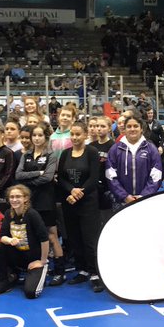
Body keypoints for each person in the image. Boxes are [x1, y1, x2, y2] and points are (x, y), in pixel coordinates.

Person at [14, 122, 65, 285]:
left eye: (40, 135)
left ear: (46, 137)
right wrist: (38, 173)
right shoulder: (26, 155)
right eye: (34, 135)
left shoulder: (51, 155)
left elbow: (48, 178)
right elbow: (18, 175)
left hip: (45, 199)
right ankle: (38, 266)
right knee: (32, 234)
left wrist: (29, 181)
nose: (36, 138)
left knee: (51, 235)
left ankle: (60, 271)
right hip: (30, 201)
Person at [58, 121, 103, 292]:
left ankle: (95, 273)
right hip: (70, 202)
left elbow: (94, 178)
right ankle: (82, 270)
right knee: (75, 238)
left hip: (88, 202)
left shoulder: (91, 152)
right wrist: (71, 190)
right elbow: (61, 178)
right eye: (72, 134)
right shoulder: (65, 153)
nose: (75, 137)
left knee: (89, 239)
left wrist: (78, 193)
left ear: (85, 135)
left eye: (78, 134)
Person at [0, 185, 50, 298]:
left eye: (18, 197)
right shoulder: (8, 213)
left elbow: (44, 239)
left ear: (25, 198)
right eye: (12, 197)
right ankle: (4, 281)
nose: (14, 199)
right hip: (17, 256)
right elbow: (2, 236)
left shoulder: (32, 214)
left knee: (31, 293)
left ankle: (40, 272)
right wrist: (10, 240)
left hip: (34, 259)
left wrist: (42, 261)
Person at [105, 114, 163, 207]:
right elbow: (110, 175)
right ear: (124, 130)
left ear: (141, 129)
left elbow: (156, 175)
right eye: (129, 126)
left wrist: (143, 196)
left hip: (145, 201)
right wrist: (124, 196)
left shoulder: (151, 149)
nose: (132, 129)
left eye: (136, 126)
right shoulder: (115, 149)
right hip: (122, 202)